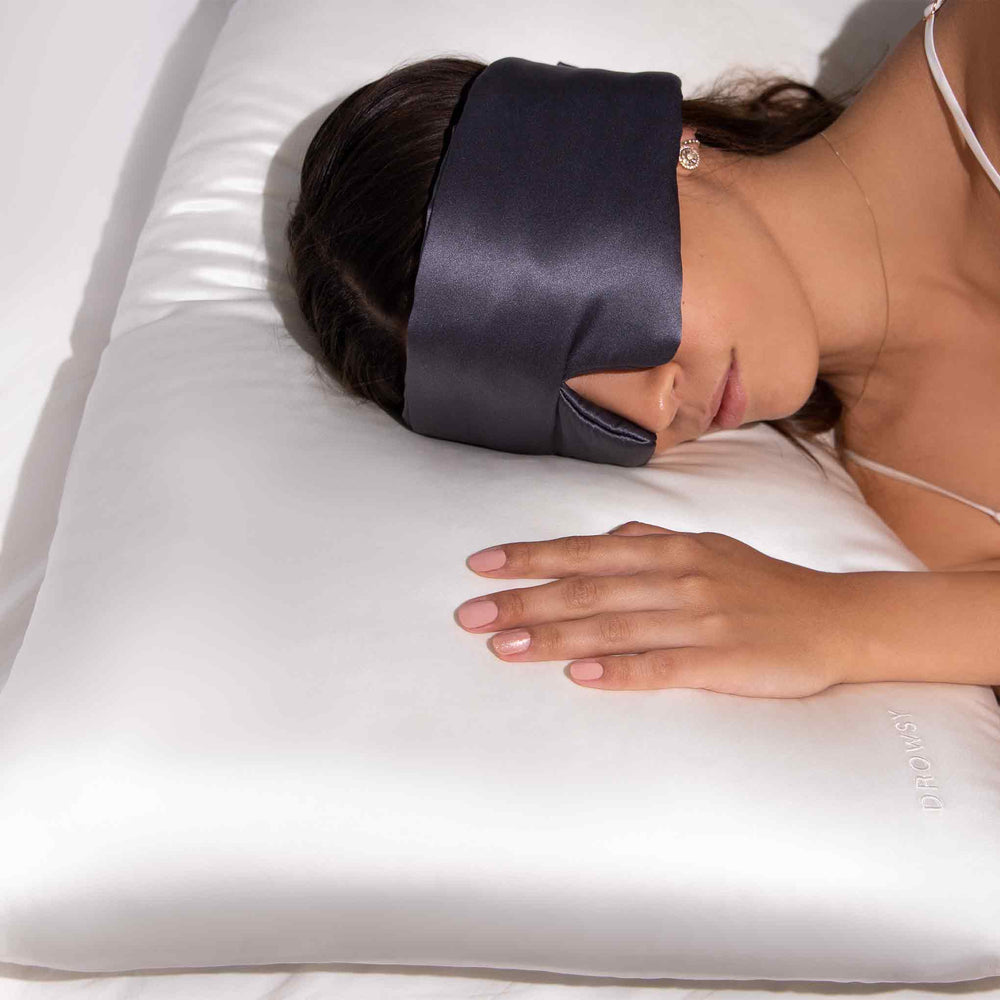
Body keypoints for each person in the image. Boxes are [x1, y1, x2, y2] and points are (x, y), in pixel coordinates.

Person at [286, 0, 1000, 699]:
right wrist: (834, 622)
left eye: (602, 326)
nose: (651, 412)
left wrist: (847, 622)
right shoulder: (932, 518)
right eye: (572, 416)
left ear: (657, 149)